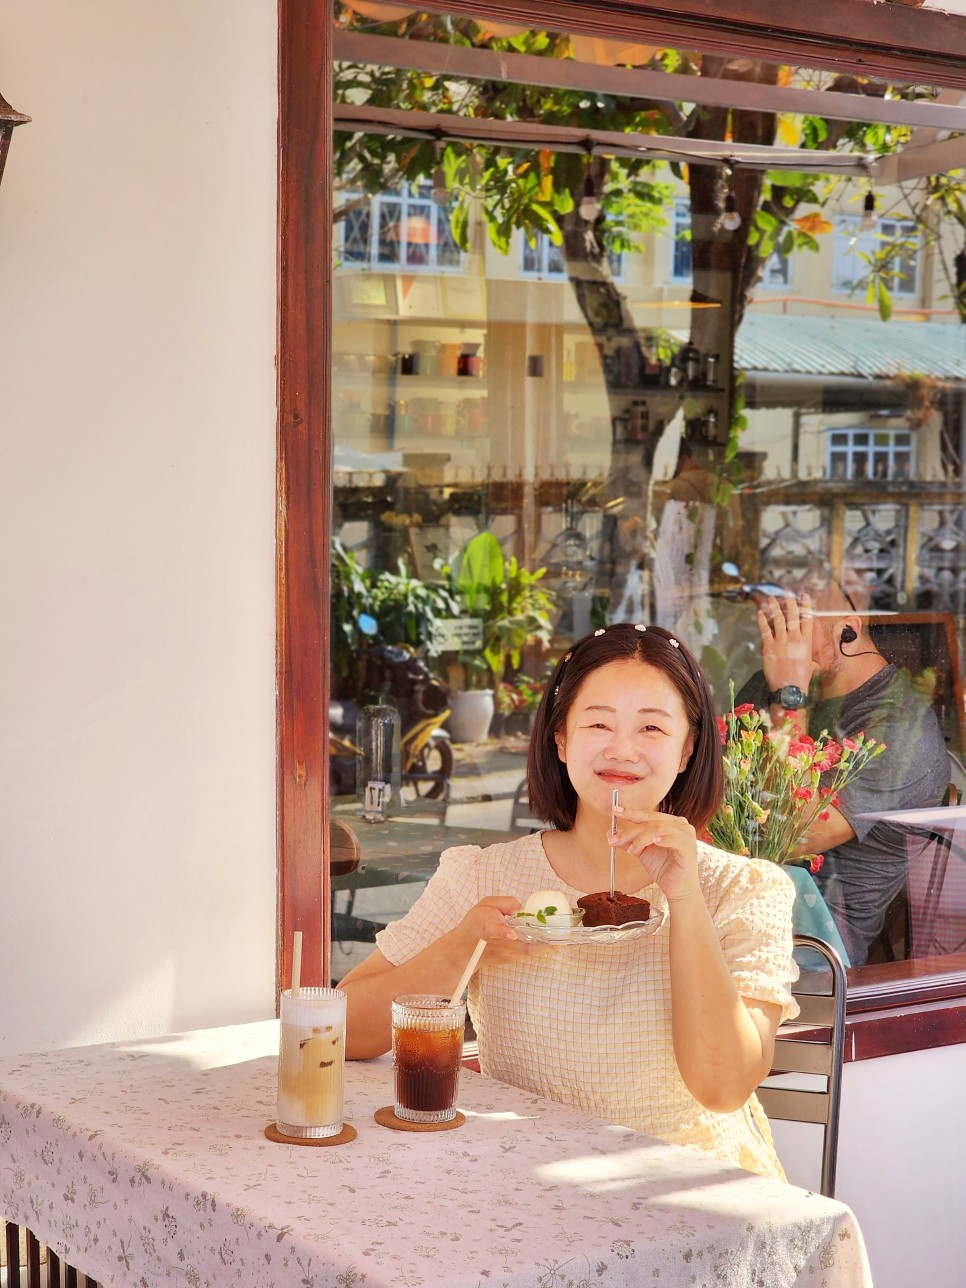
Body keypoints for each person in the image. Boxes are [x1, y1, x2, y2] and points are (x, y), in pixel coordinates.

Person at [340, 622, 800, 1180]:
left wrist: (685, 898)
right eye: (599, 723)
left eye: (651, 727)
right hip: (524, 1179)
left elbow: (723, 1087)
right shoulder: (484, 875)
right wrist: (467, 943)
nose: (622, 748)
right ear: (560, 740)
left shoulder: (745, 890)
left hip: (687, 1190)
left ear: (688, 750)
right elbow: (346, 1031)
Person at [737, 580, 949, 967]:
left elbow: (788, 834)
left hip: (811, 948)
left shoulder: (899, 728)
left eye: (795, 621)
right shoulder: (768, 683)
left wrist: (789, 694)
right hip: (730, 902)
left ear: (846, 631)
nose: (779, 636)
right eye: (773, 620)